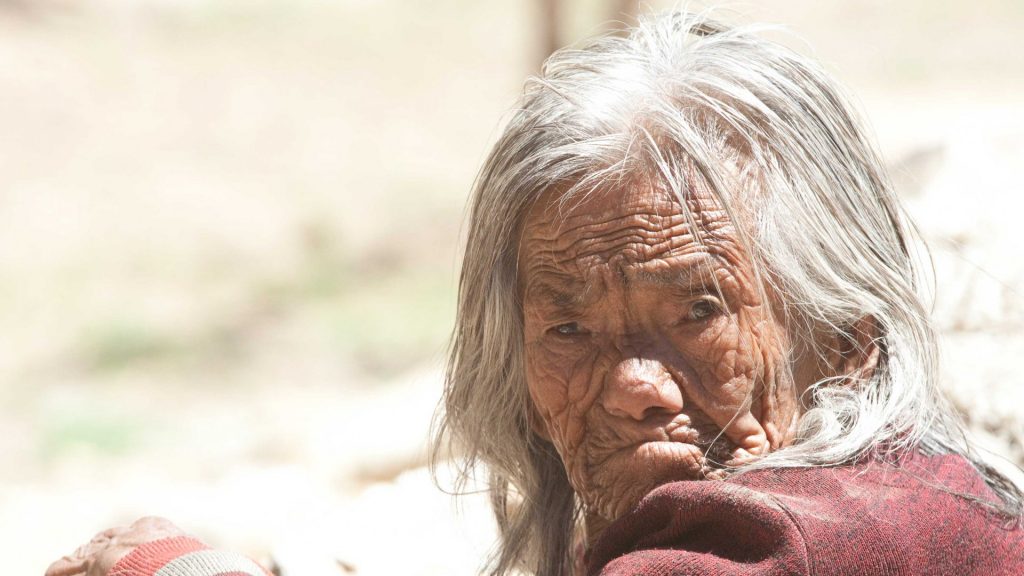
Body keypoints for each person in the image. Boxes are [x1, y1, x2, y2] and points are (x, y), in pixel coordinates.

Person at [47, 11, 1024, 576]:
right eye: (568, 326)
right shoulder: (917, 502)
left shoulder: (785, 541)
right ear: (515, 377)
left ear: (846, 337)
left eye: (698, 312)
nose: (635, 384)